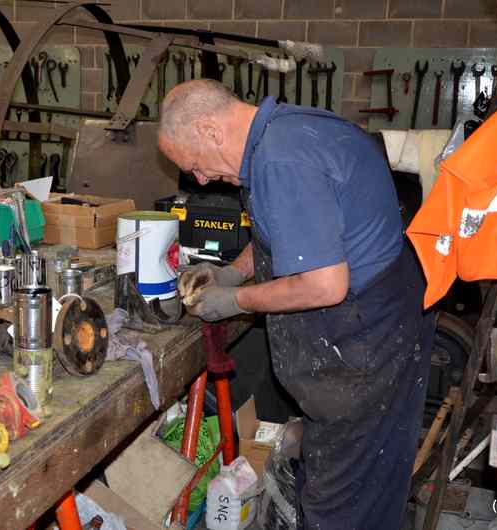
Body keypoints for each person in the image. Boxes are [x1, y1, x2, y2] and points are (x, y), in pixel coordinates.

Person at [158, 79, 435, 530]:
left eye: (196, 166)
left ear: (209, 130)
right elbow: (287, 232)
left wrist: (234, 300)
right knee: (349, 490)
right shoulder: (281, 132)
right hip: (374, 329)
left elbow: (325, 285)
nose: (203, 179)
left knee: (341, 508)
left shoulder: (282, 159)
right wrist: (234, 270)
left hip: (365, 347)